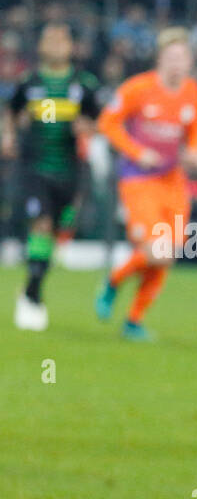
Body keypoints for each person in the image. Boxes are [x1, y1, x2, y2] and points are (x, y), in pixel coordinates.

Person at [94, 27, 197, 339]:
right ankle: (114, 280)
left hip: (173, 180)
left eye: (182, 58)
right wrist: (137, 151)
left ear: (189, 62)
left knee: (166, 256)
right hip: (139, 179)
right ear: (160, 59)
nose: (176, 64)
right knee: (157, 250)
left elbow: (194, 130)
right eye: (171, 57)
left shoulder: (193, 92)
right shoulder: (137, 88)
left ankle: (133, 320)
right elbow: (107, 122)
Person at [4, 22, 100, 331]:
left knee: (56, 233)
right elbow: (12, 111)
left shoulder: (83, 84)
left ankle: (32, 287)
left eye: (62, 38)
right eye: (50, 39)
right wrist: (9, 134)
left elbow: (99, 119)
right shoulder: (29, 82)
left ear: (71, 46)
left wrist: (87, 128)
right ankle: (32, 295)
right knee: (41, 225)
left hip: (70, 170)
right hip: (35, 167)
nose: (56, 44)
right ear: (41, 46)